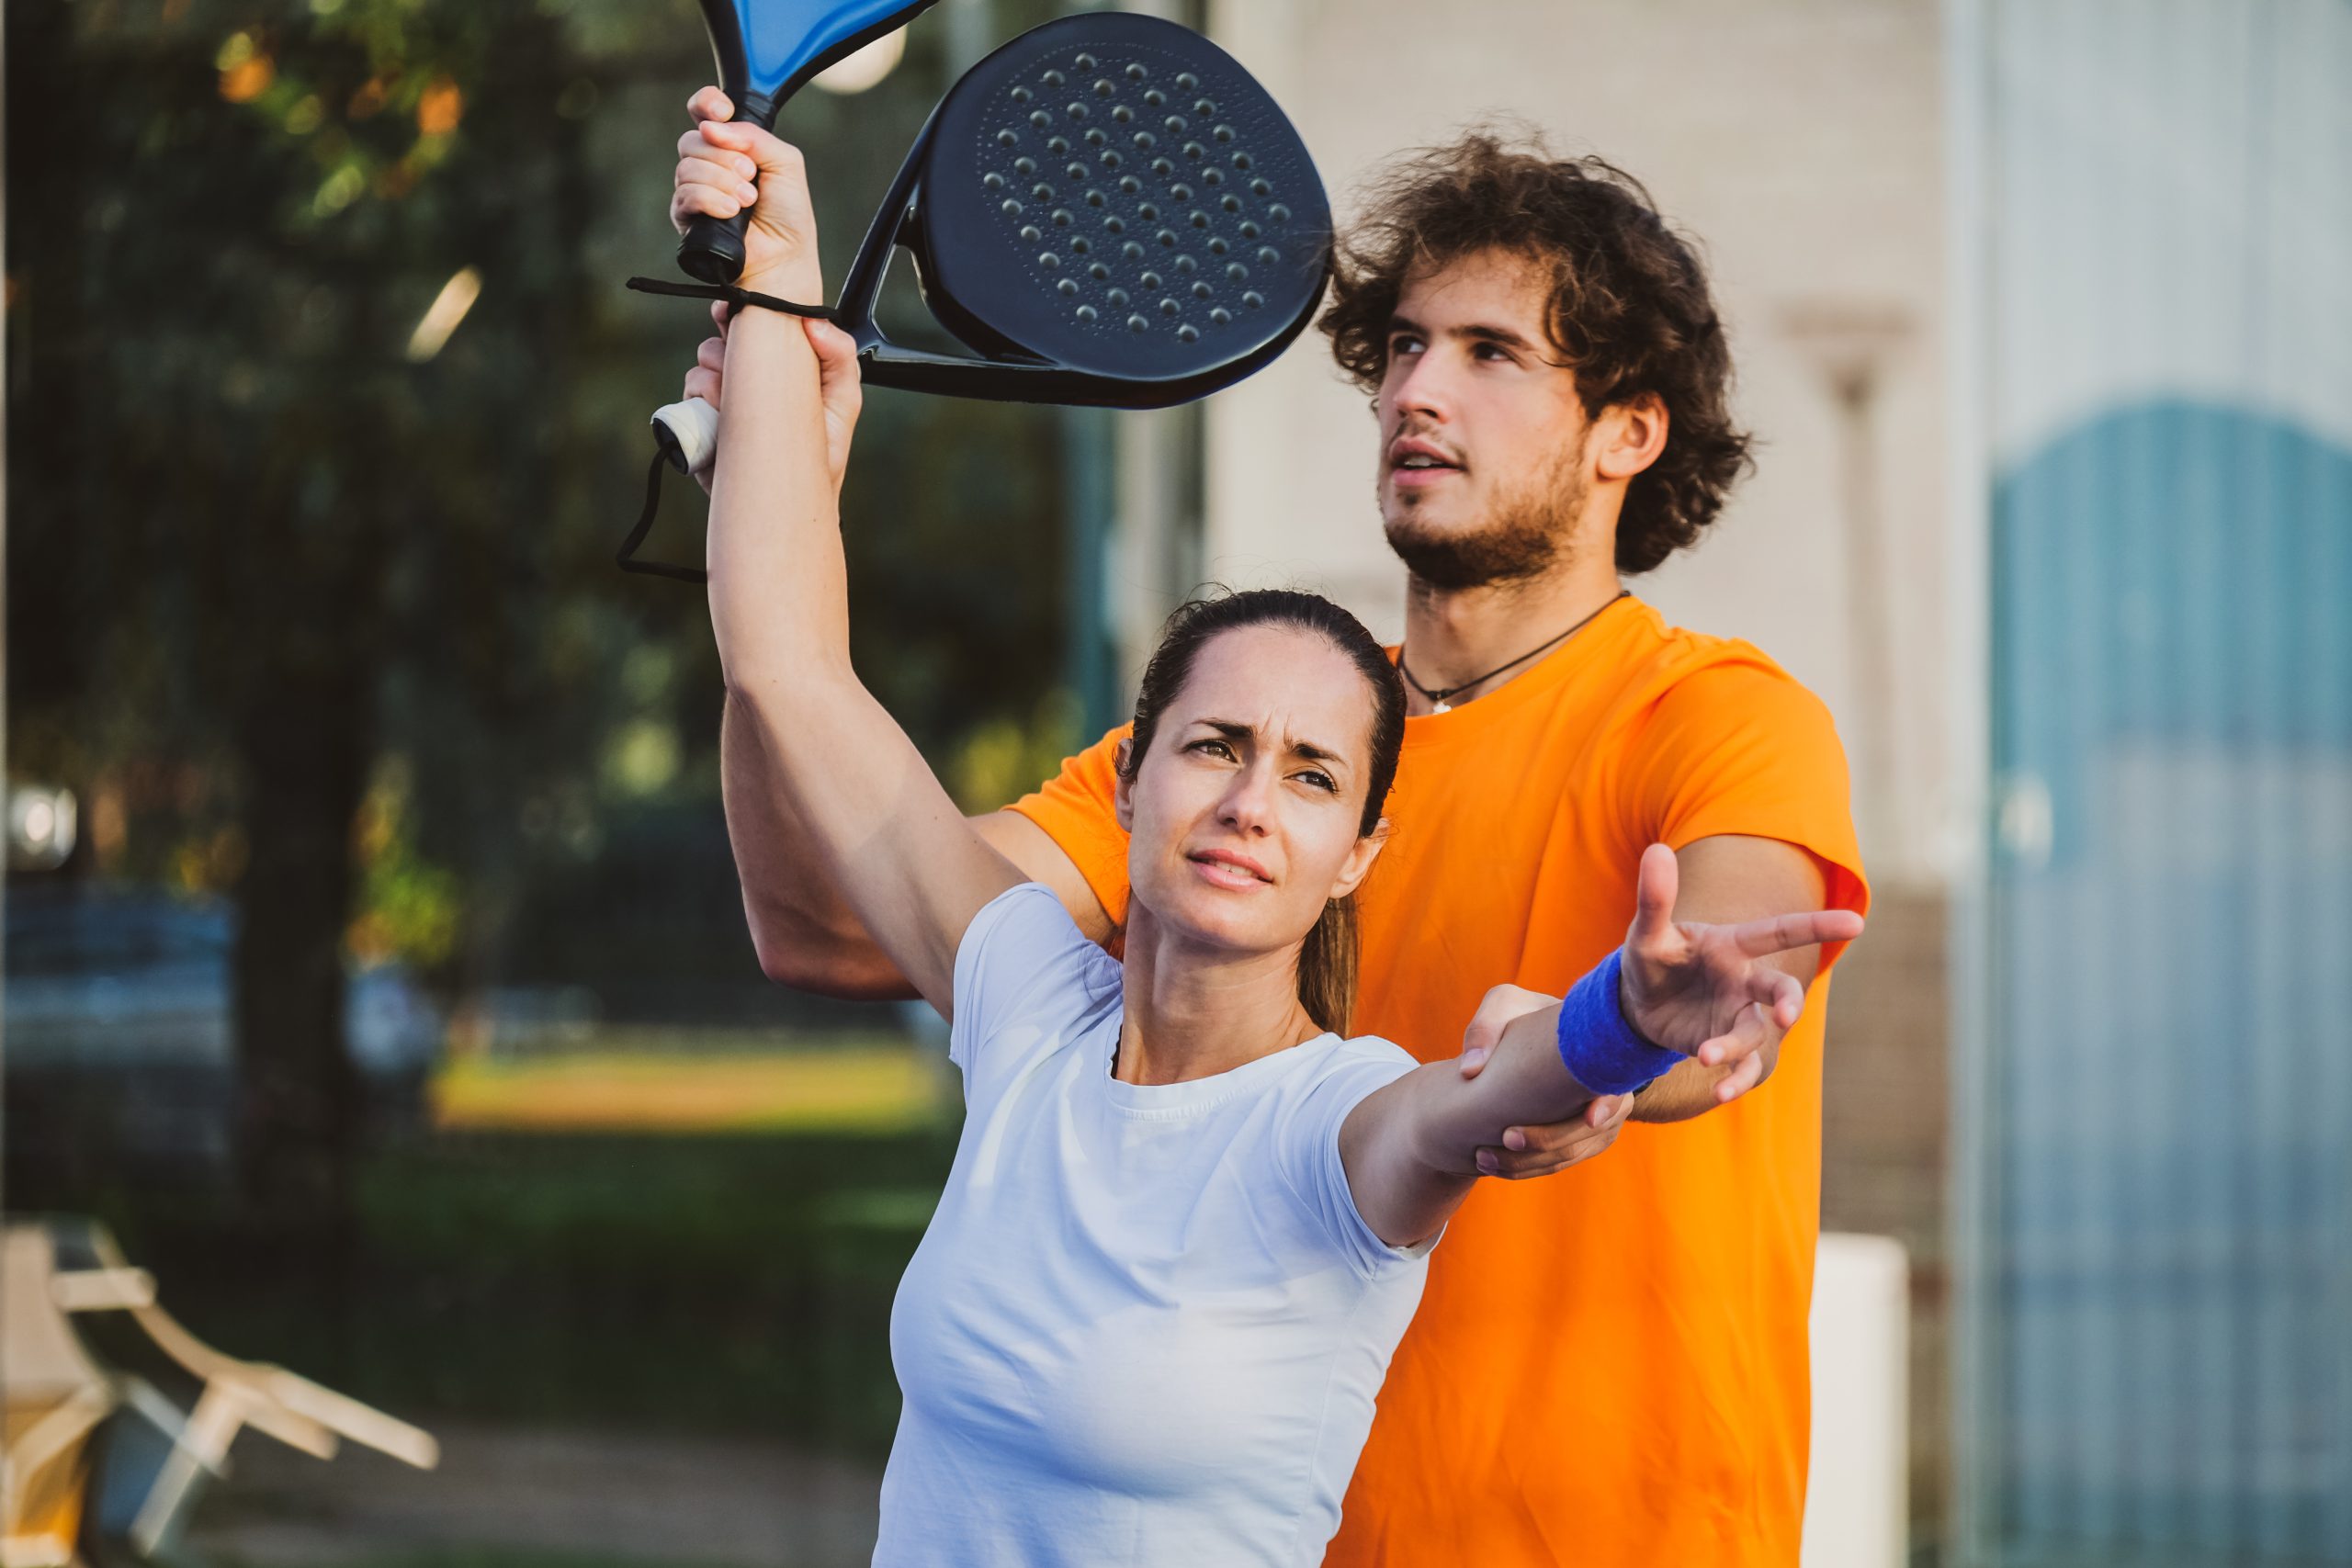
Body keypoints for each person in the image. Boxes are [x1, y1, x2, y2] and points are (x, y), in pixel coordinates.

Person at [679, 96, 1870, 1566]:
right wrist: (767, 466)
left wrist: (1633, 1024)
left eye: (1491, 354)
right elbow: (829, 910)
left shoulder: (1716, 717)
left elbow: (1713, 981)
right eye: (1405, 348)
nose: (1418, 389)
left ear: (1629, 428)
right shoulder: (1261, 745)